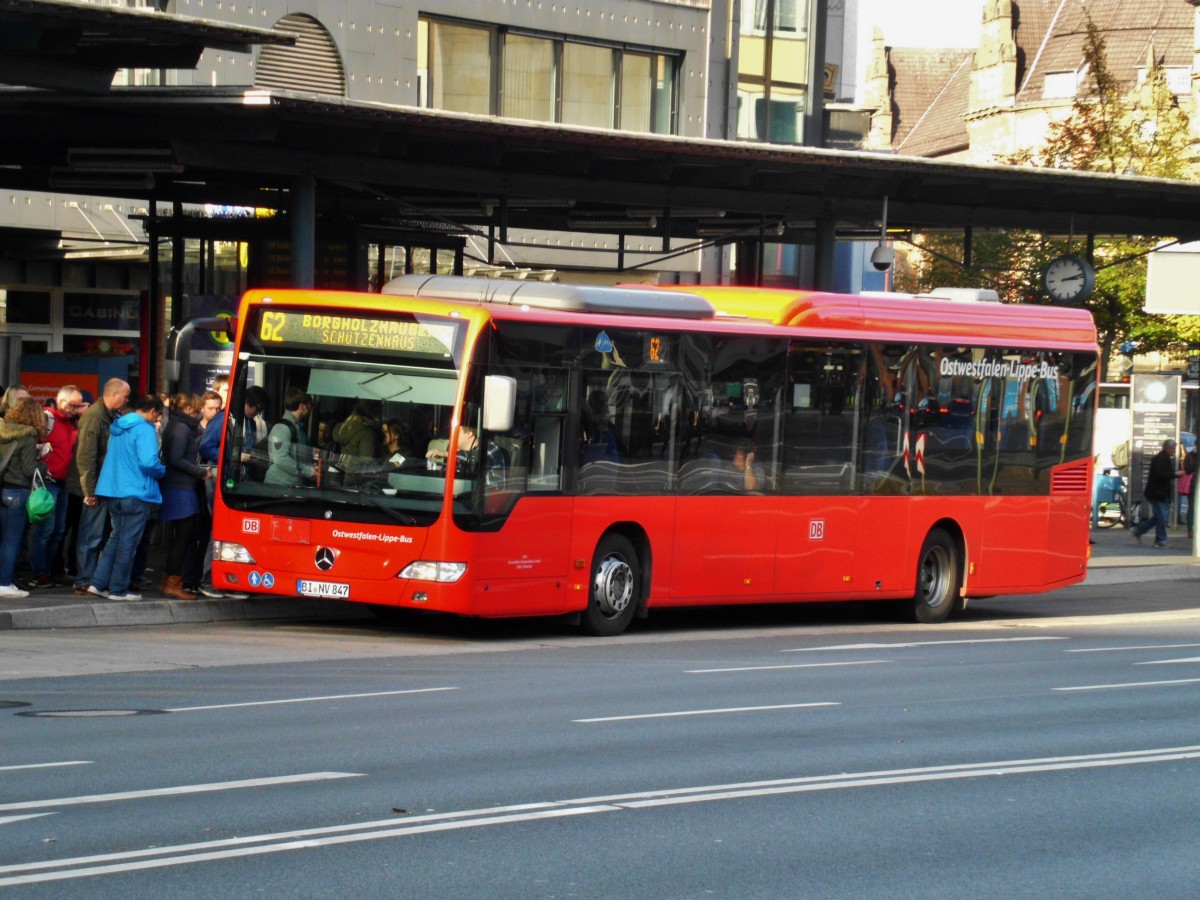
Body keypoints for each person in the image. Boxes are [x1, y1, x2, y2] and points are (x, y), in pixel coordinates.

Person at [87, 395, 165, 602]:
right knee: (128, 543)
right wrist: (162, 470)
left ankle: (98, 583)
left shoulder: (118, 426)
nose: (157, 419)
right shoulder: (145, 429)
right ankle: (118, 589)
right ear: (152, 411)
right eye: (158, 415)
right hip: (136, 491)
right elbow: (149, 462)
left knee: (116, 538)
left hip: (113, 490)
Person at [68, 377, 130, 596]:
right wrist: (89, 491)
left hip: (105, 485)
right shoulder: (94, 417)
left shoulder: (111, 416)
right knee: (90, 535)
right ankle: (84, 580)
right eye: (125, 396)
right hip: (95, 487)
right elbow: (85, 457)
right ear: (114, 395)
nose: (127, 400)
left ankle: (92, 578)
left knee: (99, 535)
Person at [29, 385, 84, 587]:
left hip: (63, 483)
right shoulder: (48, 419)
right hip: (48, 483)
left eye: (78, 406)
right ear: (61, 402)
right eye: (73, 406)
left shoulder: (71, 423)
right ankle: (39, 571)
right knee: (46, 529)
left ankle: (48, 569)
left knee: (59, 530)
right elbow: (31, 445)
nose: (75, 410)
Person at [158, 393, 211, 601]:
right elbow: (177, 459)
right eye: (197, 409)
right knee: (184, 535)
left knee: (181, 536)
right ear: (189, 409)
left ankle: (169, 579)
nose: (199, 413)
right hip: (181, 488)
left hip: (177, 486)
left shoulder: (176, 425)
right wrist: (200, 472)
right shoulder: (181, 429)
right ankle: (173, 582)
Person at [0, 398, 48, 598]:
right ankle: (4, 583)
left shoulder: (3, 431)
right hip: (17, 492)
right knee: (12, 541)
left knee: (3, 540)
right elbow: (29, 470)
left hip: (2, 489)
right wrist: (44, 465)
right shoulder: (28, 436)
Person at [264, 387, 316, 486]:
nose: (311, 410)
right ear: (302, 406)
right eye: (310, 406)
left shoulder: (297, 428)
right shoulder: (282, 428)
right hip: (280, 486)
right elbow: (280, 458)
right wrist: (308, 471)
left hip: (290, 485)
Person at [1133, 438, 1179, 549]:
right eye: (1173, 448)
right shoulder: (1160, 459)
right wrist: (1175, 474)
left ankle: (1139, 530)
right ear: (1167, 448)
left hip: (1161, 493)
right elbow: (1161, 475)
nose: (1174, 450)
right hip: (1156, 493)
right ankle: (1160, 541)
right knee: (1161, 518)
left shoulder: (1166, 458)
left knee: (1158, 517)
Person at [425, 424, 506, 487]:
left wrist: (444, 453)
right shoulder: (462, 455)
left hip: (490, 501)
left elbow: (473, 459)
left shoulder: (490, 449)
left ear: (469, 434)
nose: (451, 436)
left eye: (456, 432)